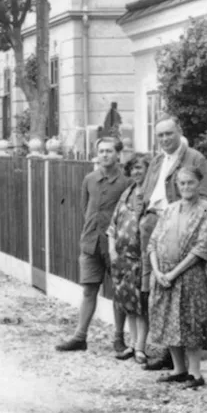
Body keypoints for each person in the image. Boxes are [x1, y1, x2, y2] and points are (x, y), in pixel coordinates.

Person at [139, 116, 207, 372]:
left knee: (182, 300)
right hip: (155, 224)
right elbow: (145, 192)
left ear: (179, 131)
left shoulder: (194, 158)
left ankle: (179, 363)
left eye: (169, 133)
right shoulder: (158, 159)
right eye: (160, 135)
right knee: (153, 290)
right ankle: (165, 351)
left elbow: (203, 197)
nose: (165, 139)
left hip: (180, 228)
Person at [55, 136, 131, 352]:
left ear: (118, 154)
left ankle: (118, 337)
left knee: (119, 291)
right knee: (88, 290)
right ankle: (80, 336)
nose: (105, 155)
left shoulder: (125, 183)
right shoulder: (89, 179)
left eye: (109, 151)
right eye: (101, 151)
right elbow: (85, 208)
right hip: (90, 243)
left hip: (115, 246)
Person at [146, 165, 207, 389]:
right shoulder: (170, 209)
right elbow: (153, 242)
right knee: (168, 321)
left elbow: (201, 247)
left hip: (188, 275)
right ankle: (179, 369)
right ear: (177, 186)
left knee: (189, 321)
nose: (186, 187)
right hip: (164, 273)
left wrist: (174, 273)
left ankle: (195, 373)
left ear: (198, 184)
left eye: (190, 183)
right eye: (182, 183)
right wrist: (157, 271)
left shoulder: (206, 210)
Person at [105, 153, 150, 362]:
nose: (137, 172)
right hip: (122, 261)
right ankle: (132, 344)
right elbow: (112, 226)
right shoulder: (126, 193)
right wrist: (113, 252)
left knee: (141, 305)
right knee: (128, 304)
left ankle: (141, 347)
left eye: (140, 168)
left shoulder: (150, 196)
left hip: (141, 260)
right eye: (133, 169)